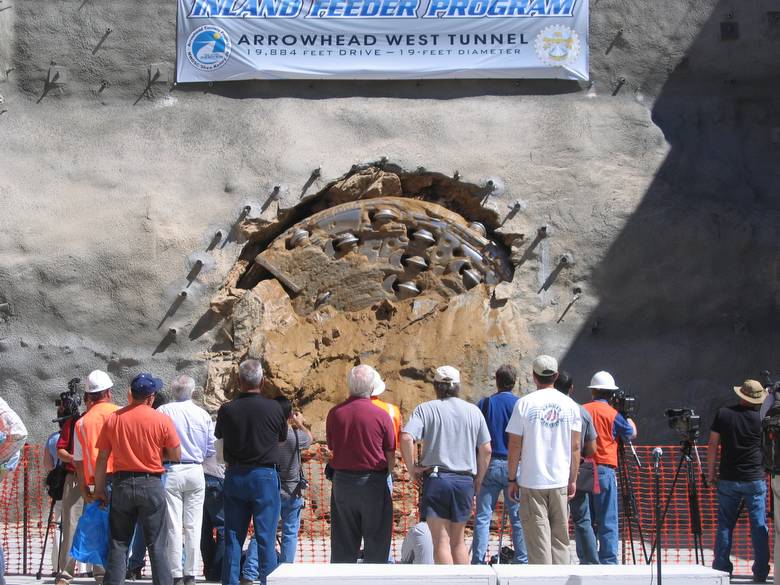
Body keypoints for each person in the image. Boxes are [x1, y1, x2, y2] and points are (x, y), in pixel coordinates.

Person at [93, 373, 181, 585]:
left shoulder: (114, 418)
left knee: (119, 543)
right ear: (151, 397)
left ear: (131, 394)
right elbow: (176, 456)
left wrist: (99, 489)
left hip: (122, 483)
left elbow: (102, 457)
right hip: (151, 483)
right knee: (157, 544)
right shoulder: (161, 419)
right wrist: (157, 453)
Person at [400, 365, 491, 565]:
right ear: (457, 386)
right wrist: (479, 480)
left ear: (436, 386)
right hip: (465, 480)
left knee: (440, 541)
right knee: (458, 542)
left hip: (438, 479)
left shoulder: (426, 409)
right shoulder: (473, 411)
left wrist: (412, 467)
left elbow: (406, 438)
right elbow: (486, 450)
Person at [216, 360, 287, 585]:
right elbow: (282, 438)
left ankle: (230, 581)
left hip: (236, 474)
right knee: (265, 538)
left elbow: (220, 439)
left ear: (239, 382)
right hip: (265, 475)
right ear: (263, 381)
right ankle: (268, 581)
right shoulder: (275, 408)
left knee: (233, 537)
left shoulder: (227, 409)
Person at [506, 355, 581, 565]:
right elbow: (575, 447)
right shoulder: (570, 405)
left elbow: (514, 445)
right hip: (559, 481)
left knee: (539, 545)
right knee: (560, 542)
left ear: (533, 377)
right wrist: (572, 479)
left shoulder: (524, 404)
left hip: (532, 482)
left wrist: (512, 478)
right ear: (556, 376)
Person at [326, 364, 395, 563]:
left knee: (343, 545)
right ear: (372, 388)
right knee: (377, 543)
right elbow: (390, 453)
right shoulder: (382, 416)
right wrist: (386, 476)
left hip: (343, 483)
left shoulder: (335, 413)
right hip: (373, 482)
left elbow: (332, 446)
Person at [242, 398, 313, 582]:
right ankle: (285, 572)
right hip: (292, 490)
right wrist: (300, 423)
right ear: (289, 415)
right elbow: (310, 438)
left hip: (270, 489)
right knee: (290, 532)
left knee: (263, 532)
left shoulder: (268, 435)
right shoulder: (295, 436)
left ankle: (249, 572)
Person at [706, 379, 769, 582]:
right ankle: (760, 572)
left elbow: (713, 445)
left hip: (728, 479)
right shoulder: (762, 418)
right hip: (755, 479)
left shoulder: (723, 414)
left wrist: (710, 473)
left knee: (725, 525)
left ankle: (721, 569)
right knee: (758, 525)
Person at [158, 375, 215, 585]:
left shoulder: (163, 411)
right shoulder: (202, 414)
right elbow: (210, 448)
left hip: (171, 469)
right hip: (195, 469)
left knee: (173, 524)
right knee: (194, 524)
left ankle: (176, 573)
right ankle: (191, 573)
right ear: (193, 391)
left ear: (173, 391)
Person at [471, 364, 527, 565]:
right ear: (514, 382)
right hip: (515, 465)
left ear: (496, 381)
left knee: (483, 517)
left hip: (489, 464)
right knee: (518, 518)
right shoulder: (521, 405)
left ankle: (477, 560)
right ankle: (522, 559)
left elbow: (475, 435)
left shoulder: (484, 404)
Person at [69, 370, 119, 585]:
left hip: (95, 484)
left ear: (88, 396)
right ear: (108, 392)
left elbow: (79, 461)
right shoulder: (120, 413)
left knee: (101, 533)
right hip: (122, 479)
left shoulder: (81, 422)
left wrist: (83, 489)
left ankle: (107, 575)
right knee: (121, 533)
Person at [583, 370, 637, 565]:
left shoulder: (582, 410)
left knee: (586, 519)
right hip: (605, 470)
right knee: (608, 519)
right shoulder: (613, 414)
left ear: (593, 391)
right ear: (611, 394)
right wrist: (626, 414)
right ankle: (608, 561)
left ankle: (588, 559)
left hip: (584, 470)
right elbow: (631, 433)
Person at [554, 371, 598, 565]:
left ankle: (555, 562)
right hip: (576, 471)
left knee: (553, 520)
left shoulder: (550, 410)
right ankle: (590, 562)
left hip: (552, 472)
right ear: (571, 388)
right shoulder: (582, 412)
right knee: (582, 520)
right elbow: (592, 449)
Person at [201, 447, 225, 582]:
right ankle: (216, 571)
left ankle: (209, 570)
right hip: (217, 477)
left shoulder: (201, 425)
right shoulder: (221, 430)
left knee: (204, 529)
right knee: (223, 528)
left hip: (199, 476)